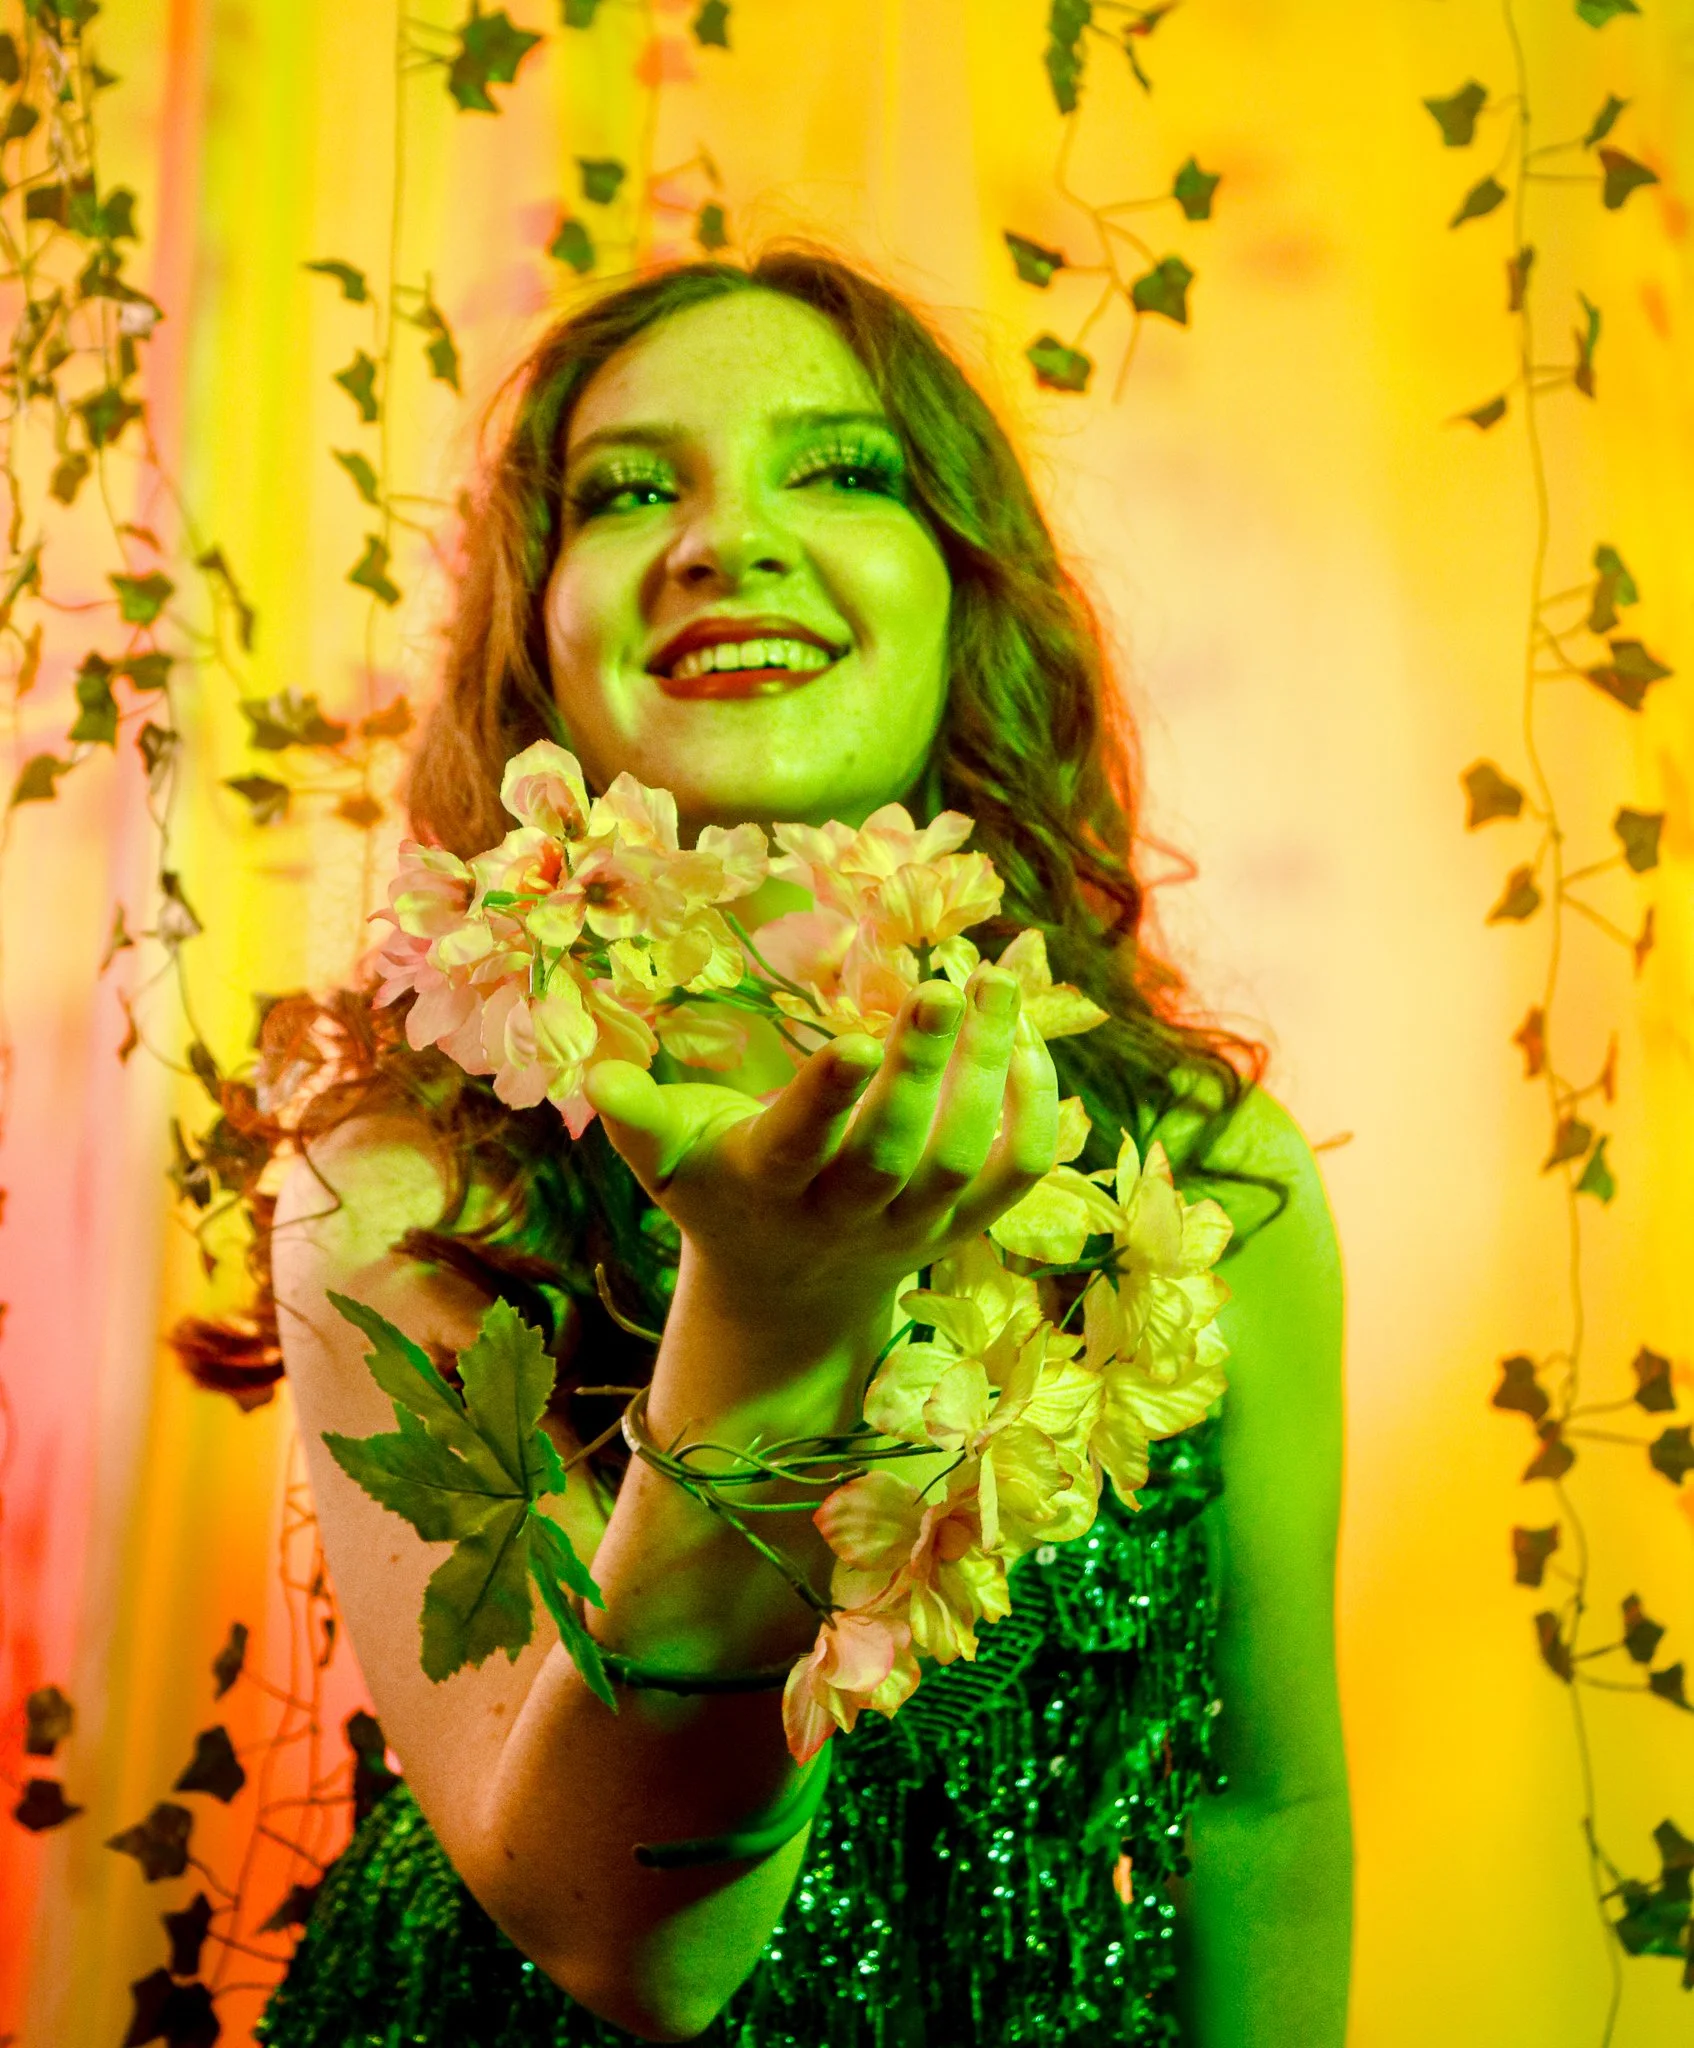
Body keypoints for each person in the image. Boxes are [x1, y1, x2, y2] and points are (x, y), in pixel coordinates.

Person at [253, 248, 1350, 2047]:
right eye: (627, 493)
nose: (724, 538)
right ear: (537, 640)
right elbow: (636, 1957)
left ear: (963, 600)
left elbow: (1262, 1808)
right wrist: (771, 1319)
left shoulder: (1208, 1175)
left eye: (838, 471)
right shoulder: (404, 1197)